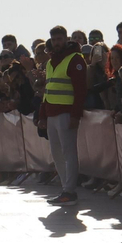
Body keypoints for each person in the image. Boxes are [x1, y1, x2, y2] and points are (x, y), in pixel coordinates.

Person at [39, 25, 87, 206]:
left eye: (60, 39)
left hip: (66, 113)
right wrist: (42, 115)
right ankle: (65, 188)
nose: (57, 42)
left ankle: (70, 191)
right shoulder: (51, 62)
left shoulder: (75, 59)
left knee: (69, 152)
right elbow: (48, 90)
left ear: (66, 39)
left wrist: (76, 115)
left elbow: (80, 90)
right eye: (54, 39)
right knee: (56, 152)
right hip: (51, 114)